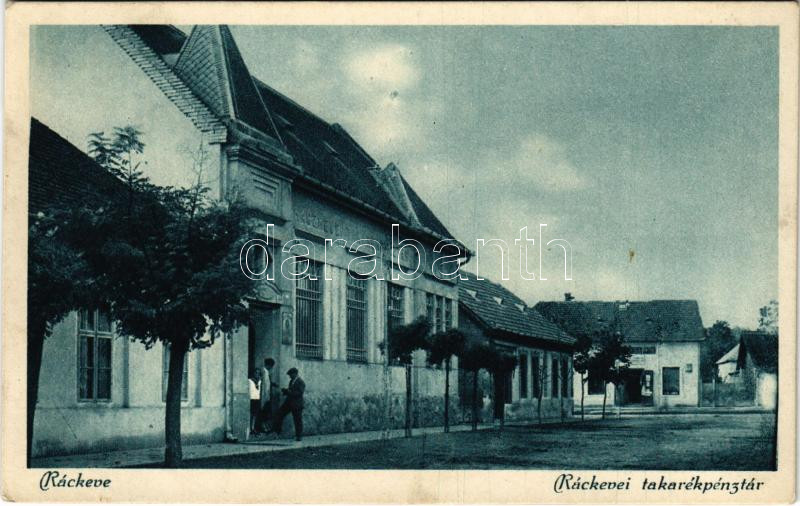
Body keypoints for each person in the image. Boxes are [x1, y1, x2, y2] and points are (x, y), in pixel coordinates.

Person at [270, 367, 305, 441]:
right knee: (280, 413)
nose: (290, 376)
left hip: (297, 404)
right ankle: (277, 432)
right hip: (289, 403)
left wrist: (289, 392)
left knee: (297, 420)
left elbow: (299, 393)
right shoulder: (291, 381)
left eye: (291, 374)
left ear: (295, 374)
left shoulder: (301, 382)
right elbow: (291, 391)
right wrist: (285, 391)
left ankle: (299, 436)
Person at [259, 358, 277, 432]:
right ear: (269, 365)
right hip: (264, 395)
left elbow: (267, 383)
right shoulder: (264, 371)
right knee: (263, 412)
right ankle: (263, 427)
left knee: (266, 412)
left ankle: (265, 426)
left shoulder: (266, 372)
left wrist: (272, 384)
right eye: (271, 366)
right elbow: (263, 384)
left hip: (267, 395)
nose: (271, 368)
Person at [248, 369, 261, 435]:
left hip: (257, 399)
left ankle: (252, 428)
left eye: (258, 373)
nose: (257, 374)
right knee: (250, 414)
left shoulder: (259, 381)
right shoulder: (249, 381)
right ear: (253, 373)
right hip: (251, 399)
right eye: (256, 373)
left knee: (255, 414)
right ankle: (249, 428)